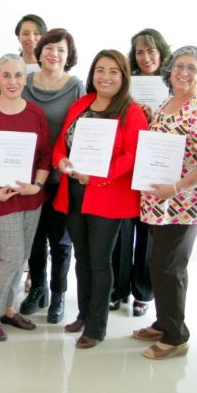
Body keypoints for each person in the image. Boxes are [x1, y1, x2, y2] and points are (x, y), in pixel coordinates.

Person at [52, 50, 148, 349]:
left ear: (124, 77)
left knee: (99, 261)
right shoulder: (81, 104)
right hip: (74, 193)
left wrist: (96, 176)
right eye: (100, 70)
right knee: (82, 258)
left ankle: (96, 325)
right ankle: (83, 313)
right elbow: (61, 144)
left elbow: (131, 156)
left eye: (113, 72)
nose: (105, 77)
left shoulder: (132, 112)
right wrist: (62, 163)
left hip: (108, 195)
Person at [133, 46, 197, 359]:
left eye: (192, 68)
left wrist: (176, 187)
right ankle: (162, 321)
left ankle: (176, 336)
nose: (183, 73)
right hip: (159, 199)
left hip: (183, 202)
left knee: (168, 267)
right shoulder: (169, 103)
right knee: (158, 264)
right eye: (179, 66)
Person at [0, 54, 51, 342]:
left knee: (22, 257)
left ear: (24, 79)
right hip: (1, 198)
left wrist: (37, 187)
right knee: (12, 257)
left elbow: (45, 155)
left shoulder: (36, 114)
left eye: (17, 75)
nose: (12, 81)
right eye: (6, 75)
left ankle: (10, 308)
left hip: (30, 198)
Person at [20, 28, 85, 324]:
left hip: (61, 177)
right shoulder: (24, 81)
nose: (53, 53)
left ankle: (58, 294)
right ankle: (37, 289)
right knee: (33, 238)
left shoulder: (76, 87)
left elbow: (84, 132)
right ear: (39, 50)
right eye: (48, 47)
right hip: (28, 176)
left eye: (60, 49)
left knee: (60, 241)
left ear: (68, 55)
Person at [111, 28, 172, 316]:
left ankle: (143, 292)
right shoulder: (125, 85)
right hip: (125, 167)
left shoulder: (174, 86)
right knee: (121, 232)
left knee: (148, 233)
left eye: (151, 51)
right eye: (139, 52)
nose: (146, 57)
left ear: (161, 53)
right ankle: (117, 289)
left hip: (156, 166)